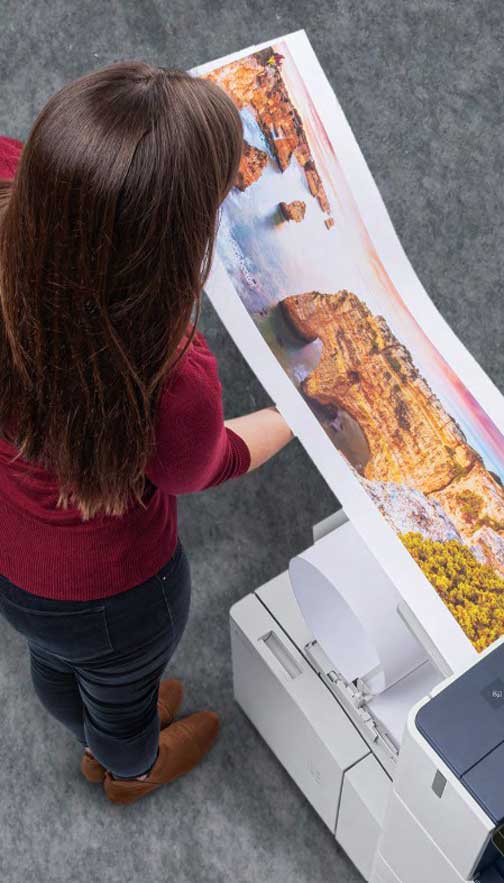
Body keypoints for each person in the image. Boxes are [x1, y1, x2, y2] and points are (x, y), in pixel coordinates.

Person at [0, 63, 294, 805]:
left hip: (14, 565)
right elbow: (201, 464)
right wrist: (297, 411)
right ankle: (128, 764)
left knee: (53, 661)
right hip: (119, 592)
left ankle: (97, 725)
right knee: (122, 688)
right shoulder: (170, 371)